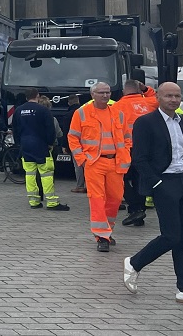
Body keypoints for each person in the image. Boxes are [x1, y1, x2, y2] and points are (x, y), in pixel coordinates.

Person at [124, 82, 183, 306]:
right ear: (158, 97)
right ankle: (134, 263)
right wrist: (156, 183)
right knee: (171, 236)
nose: (174, 100)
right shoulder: (145, 123)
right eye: (168, 96)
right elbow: (139, 158)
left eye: (177, 96)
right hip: (164, 183)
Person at [68, 81, 130, 252]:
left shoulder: (118, 113)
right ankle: (101, 236)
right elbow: (73, 137)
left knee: (115, 199)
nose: (105, 95)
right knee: (97, 198)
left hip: (116, 163)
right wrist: (82, 159)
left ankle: (107, 231)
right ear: (92, 94)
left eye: (108, 92)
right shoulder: (82, 113)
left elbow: (127, 137)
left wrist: (126, 153)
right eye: (101, 93)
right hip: (94, 163)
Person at [12, 87, 69, 212]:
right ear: (37, 96)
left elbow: (15, 129)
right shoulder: (43, 110)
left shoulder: (18, 110)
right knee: (46, 173)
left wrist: (19, 143)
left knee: (30, 173)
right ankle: (52, 202)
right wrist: (50, 143)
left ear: (26, 97)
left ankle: (34, 201)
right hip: (41, 145)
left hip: (26, 145)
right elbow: (50, 130)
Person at [116, 79, 158, 227]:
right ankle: (138, 212)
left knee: (121, 178)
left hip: (127, 148)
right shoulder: (151, 102)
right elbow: (158, 97)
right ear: (139, 90)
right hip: (148, 148)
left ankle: (135, 208)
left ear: (123, 92)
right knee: (140, 179)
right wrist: (146, 89)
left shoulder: (117, 106)